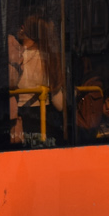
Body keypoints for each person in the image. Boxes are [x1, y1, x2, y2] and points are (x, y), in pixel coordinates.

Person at [9, 13, 65, 144]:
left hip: (21, 120)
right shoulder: (50, 59)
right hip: (46, 121)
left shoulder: (16, 57)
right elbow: (59, 104)